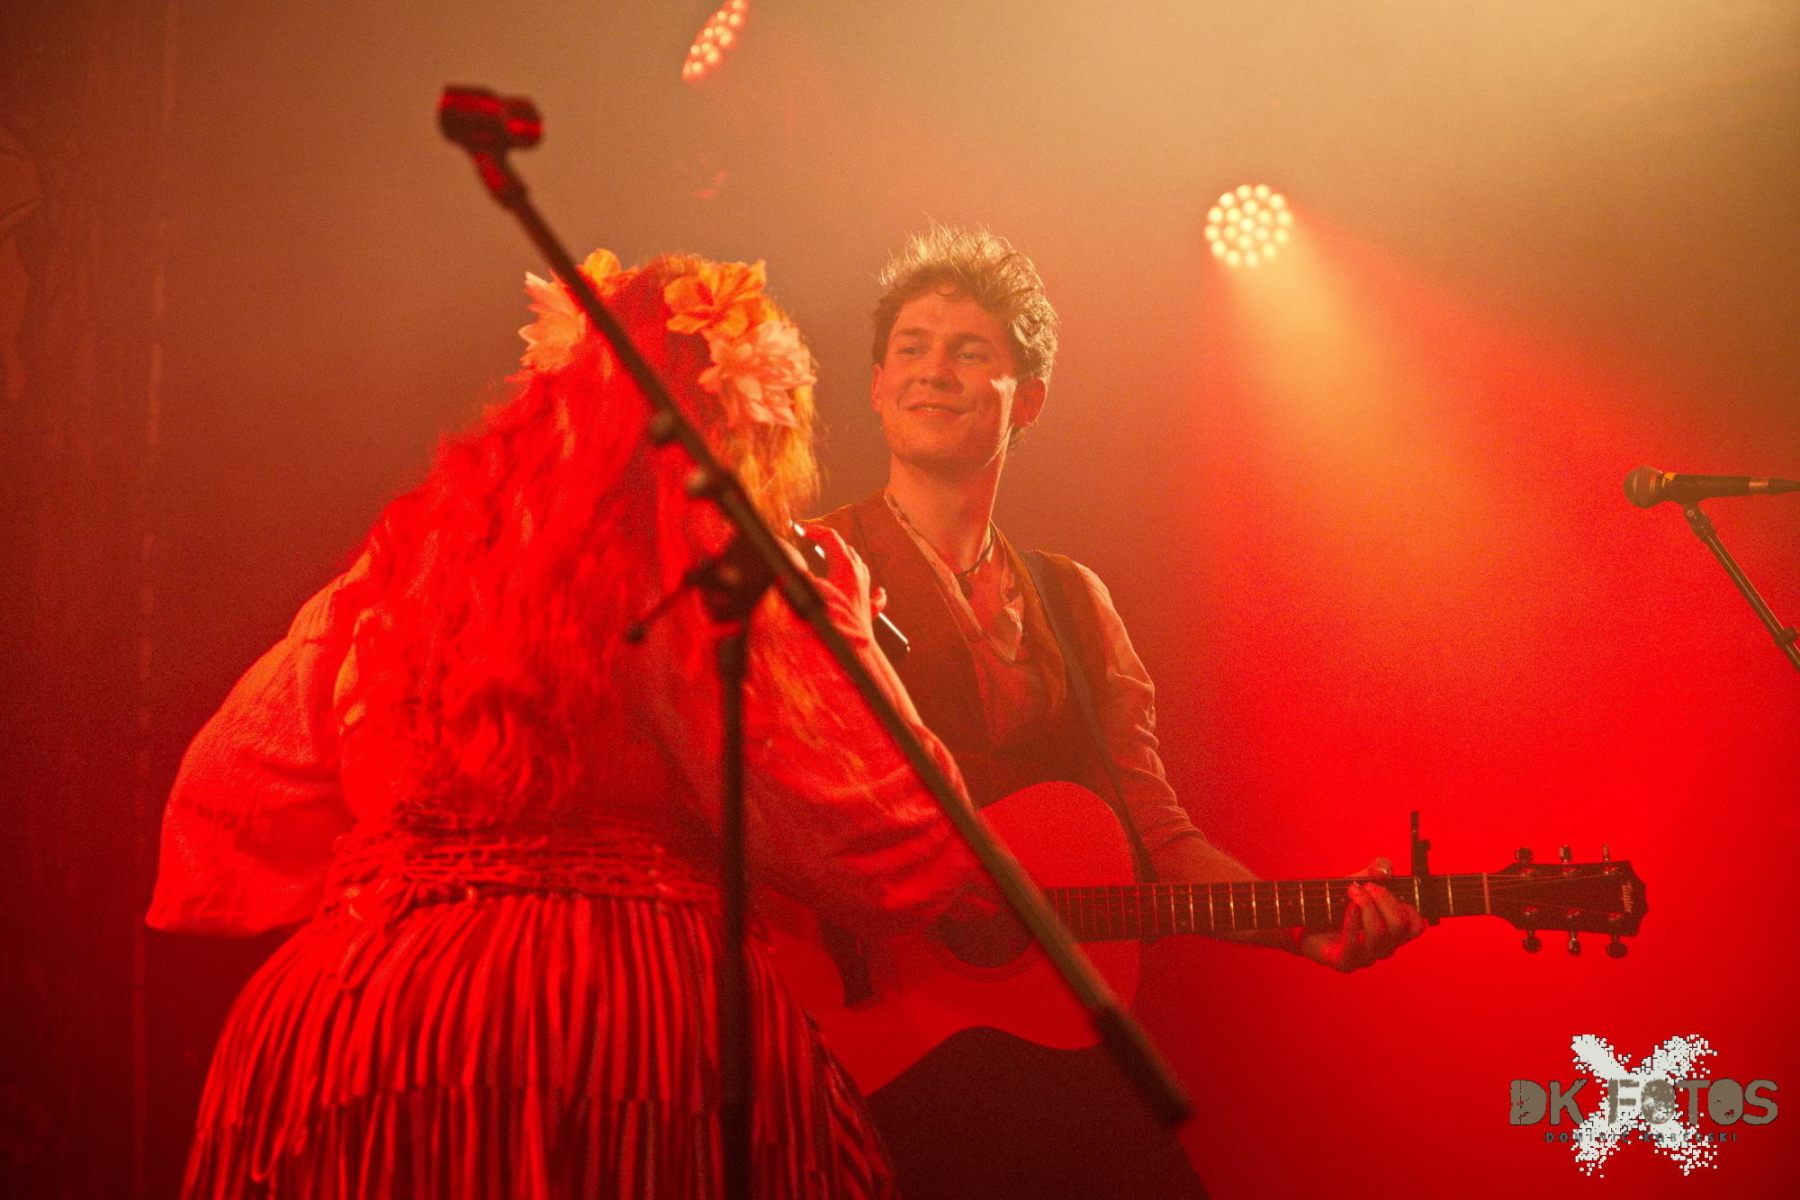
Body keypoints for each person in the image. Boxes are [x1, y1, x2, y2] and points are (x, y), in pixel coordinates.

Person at [147, 250, 996, 1199]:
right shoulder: (693, 567)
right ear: (736, 424)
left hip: (357, 1023)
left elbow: (226, 791)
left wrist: (406, 865)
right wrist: (840, 618)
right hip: (611, 1020)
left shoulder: (402, 563)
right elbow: (897, 850)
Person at [808, 226, 1427, 1197]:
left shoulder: (1075, 601)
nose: (933, 371)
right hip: (870, 1042)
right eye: (911, 349)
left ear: (1029, 401)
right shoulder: (810, 564)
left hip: (1049, 1044)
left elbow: (1160, 839)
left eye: (969, 351)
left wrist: (1302, 927)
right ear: (878, 386)